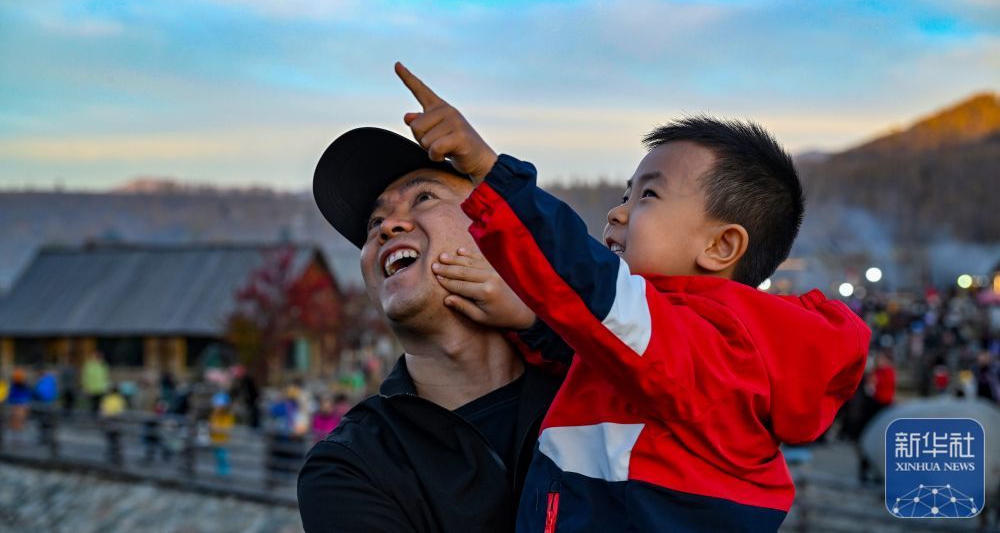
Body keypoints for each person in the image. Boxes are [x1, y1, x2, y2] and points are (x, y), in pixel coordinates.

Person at [394, 62, 871, 532]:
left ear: (720, 246)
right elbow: (608, 366)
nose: (617, 213)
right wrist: (532, 323)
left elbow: (592, 289)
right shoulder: (677, 350)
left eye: (648, 196)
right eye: (626, 193)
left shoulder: (715, 347)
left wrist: (489, 172)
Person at [298, 123, 564, 532]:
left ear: (494, 230)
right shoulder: (350, 467)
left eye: (423, 197)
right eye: (373, 224)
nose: (387, 227)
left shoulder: (589, 385)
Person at [209, 392, 236, 477]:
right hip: (215, 440)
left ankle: (224, 474)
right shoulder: (214, 415)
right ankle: (220, 473)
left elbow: (227, 428)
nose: (216, 407)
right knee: (218, 458)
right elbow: (212, 426)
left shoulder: (228, 415)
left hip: (223, 441)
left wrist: (217, 429)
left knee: (222, 458)